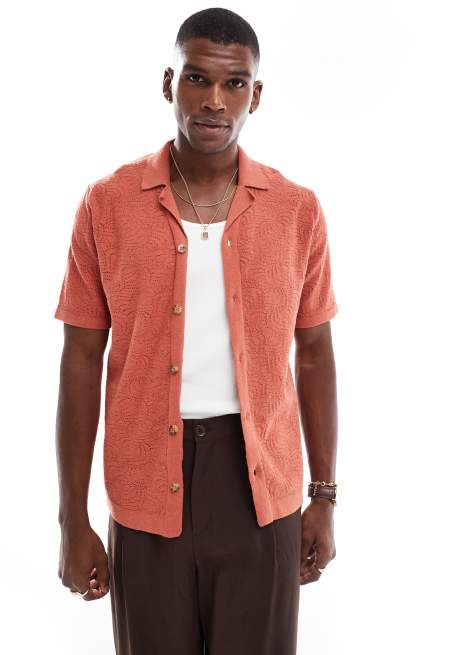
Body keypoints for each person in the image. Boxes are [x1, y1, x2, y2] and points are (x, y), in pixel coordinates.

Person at [54, 7, 339, 654]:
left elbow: (315, 351)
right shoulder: (107, 204)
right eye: (197, 78)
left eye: (234, 83)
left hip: (260, 491)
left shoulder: (296, 210)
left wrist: (323, 495)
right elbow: (80, 359)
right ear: (169, 83)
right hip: (144, 485)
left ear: (255, 95)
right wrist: (72, 517)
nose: (214, 100)